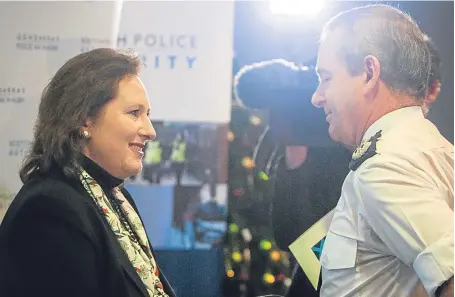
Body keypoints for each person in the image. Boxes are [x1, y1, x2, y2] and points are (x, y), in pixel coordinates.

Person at [0, 48, 176, 297]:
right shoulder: (50, 208)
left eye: (147, 115)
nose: (150, 131)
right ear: (85, 120)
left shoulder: (117, 198)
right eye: (134, 113)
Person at [311, 4, 453, 297]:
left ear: (368, 72)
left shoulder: (386, 166)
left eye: (326, 78)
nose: (317, 97)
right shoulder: (430, 148)